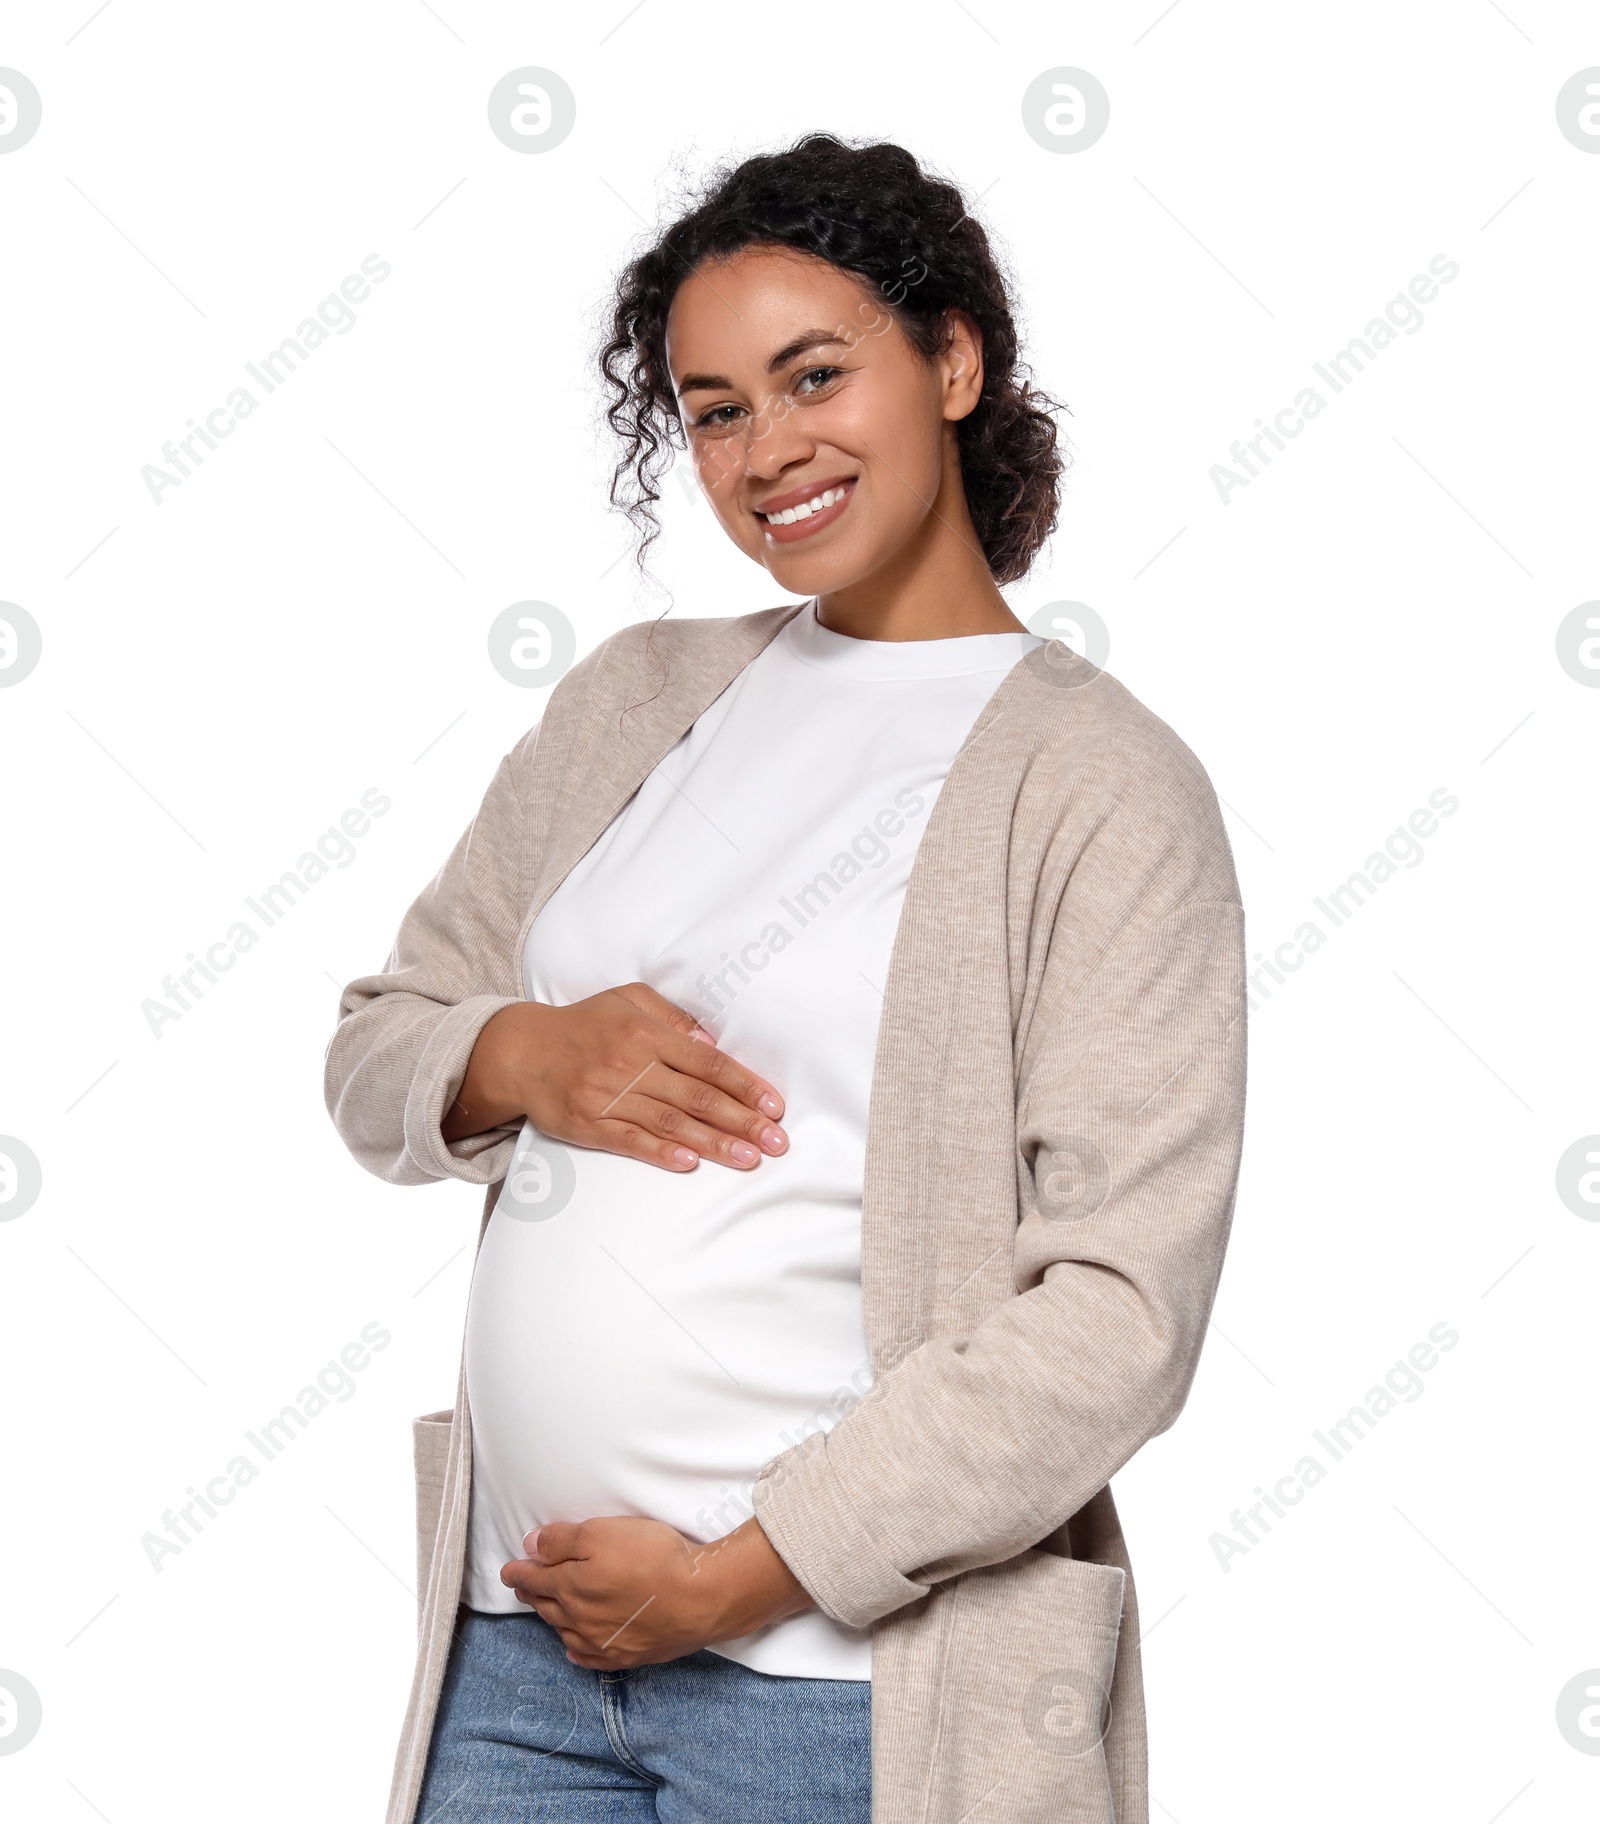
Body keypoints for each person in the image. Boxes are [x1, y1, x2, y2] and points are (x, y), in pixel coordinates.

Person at [324, 132, 1248, 1824]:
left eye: (815, 376)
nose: (767, 450)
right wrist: (523, 1054)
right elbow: (379, 1052)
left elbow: (1119, 1316)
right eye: (716, 408)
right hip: (516, 1667)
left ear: (954, 361)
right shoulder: (633, 699)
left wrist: (746, 1573)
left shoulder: (1100, 784)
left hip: (850, 1704)